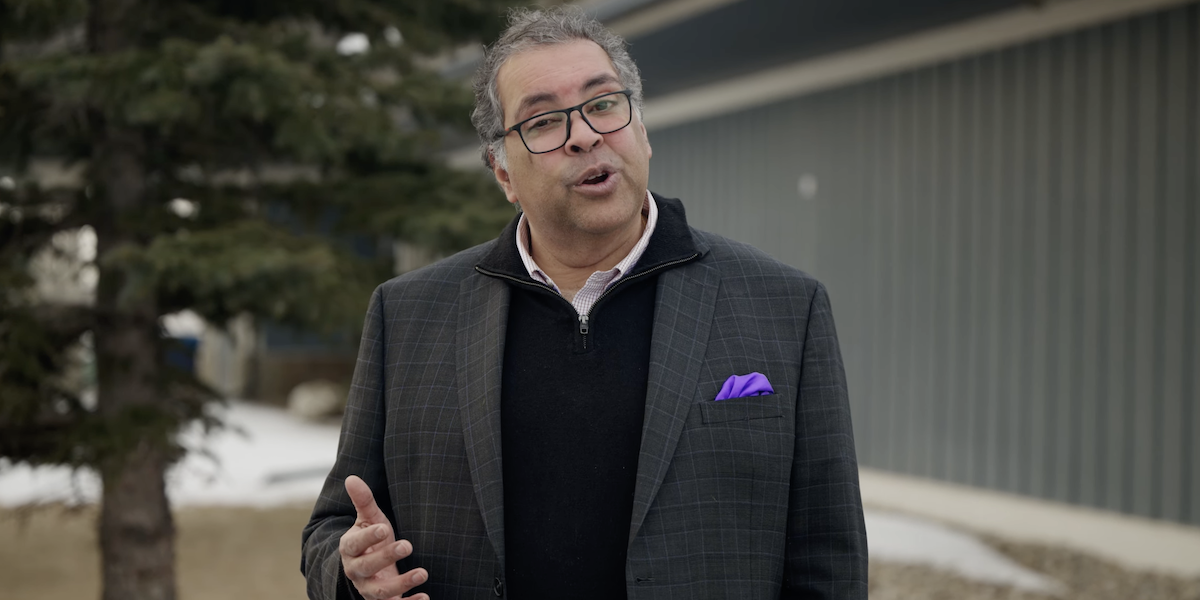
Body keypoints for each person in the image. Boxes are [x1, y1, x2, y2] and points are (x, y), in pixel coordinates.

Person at [301, 7, 867, 599]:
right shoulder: (409, 315)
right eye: (543, 120)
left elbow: (829, 558)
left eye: (603, 104)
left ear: (641, 132)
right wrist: (350, 571)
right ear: (503, 173)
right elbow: (333, 527)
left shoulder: (782, 305)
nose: (584, 134)